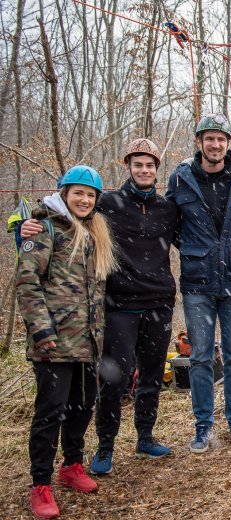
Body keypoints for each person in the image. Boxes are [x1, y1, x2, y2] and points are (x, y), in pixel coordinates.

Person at [20, 139, 179, 475]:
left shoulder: (168, 208)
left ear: (156, 170)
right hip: (118, 305)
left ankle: (146, 437)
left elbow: (197, 237)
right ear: (128, 168)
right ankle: (105, 446)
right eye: (138, 164)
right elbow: (60, 213)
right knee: (113, 381)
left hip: (159, 303)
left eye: (150, 165)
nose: (144, 170)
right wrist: (23, 226)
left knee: (150, 377)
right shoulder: (107, 203)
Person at [16, 165, 117, 519]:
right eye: (78, 193)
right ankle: (40, 483)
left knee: (82, 406)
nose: (84, 199)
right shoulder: (43, 229)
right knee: (50, 413)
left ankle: (72, 464)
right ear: (63, 192)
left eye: (90, 195)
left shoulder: (92, 234)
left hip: (87, 343)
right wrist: (42, 331)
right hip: (53, 344)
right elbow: (28, 282)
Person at [166, 113, 231, 452]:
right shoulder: (181, 178)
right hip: (197, 284)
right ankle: (203, 427)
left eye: (220, 138)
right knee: (200, 358)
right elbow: (167, 223)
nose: (215, 144)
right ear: (199, 142)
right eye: (209, 138)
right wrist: (196, 250)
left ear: (227, 143)